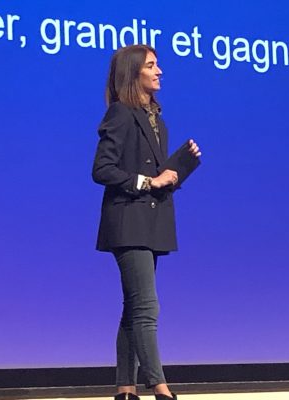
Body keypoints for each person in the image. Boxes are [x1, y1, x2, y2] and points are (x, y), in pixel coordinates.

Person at [92, 44, 201, 400]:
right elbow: (102, 169)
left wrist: (177, 171)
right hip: (128, 222)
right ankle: (160, 387)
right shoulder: (120, 113)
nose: (159, 71)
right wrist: (148, 182)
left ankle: (126, 389)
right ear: (133, 72)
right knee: (146, 307)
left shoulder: (157, 121)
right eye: (152, 65)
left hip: (149, 223)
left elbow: (157, 174)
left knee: (133, 308)